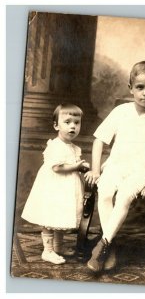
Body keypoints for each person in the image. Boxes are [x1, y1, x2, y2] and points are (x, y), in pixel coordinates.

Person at [84, 61, 145, 272]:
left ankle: (102, 245)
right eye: (140, 87)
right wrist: (96, 169)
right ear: (130, 88)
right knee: (105, 192)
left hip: (143, 171)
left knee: (124, 195)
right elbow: (99, 140)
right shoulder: (121, 112)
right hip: (116, 166)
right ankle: (110, 244)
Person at [21, 103, 89, 264]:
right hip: (54, 187)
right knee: (51, 217)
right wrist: (77, 166)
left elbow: (74, 163)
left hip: (67, 187)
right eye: (67, 122)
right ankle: (48, 250)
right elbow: (58, 167)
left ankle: (58, 246)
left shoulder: (74, 148)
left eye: (76, 122)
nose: (73, 126)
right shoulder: (55, 145)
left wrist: (82, 168)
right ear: (56, 125)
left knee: (62, 216)